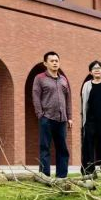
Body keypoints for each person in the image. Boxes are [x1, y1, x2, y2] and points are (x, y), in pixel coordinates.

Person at [32, 51, 72, 179]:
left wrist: (69, 117)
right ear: (45, 63)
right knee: (45, 148)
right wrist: (40, 115)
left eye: (56, 61)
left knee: (63, 149)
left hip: (62, 119)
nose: (55, 63)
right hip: (47, 118)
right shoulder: (39, 78)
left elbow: (68, 99)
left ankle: (62, 177)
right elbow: (36, 97)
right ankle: (45, 177)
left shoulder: (63, 79)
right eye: (52, 61)